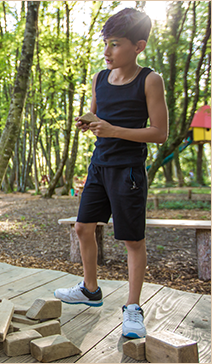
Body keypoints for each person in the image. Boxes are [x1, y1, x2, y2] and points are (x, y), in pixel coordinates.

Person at [54, 8, 168, 340]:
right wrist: (90, 122)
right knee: (82, 227)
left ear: (139, 46)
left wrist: (112, 129)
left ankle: (132, 308)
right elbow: (99, 117)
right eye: (105, 43)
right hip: (99, 165)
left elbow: (159, 132)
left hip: (128, 170)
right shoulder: (100, 78)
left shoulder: (150, 80)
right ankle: (90, 289)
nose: (107, 52)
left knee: (132, 240)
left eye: (115, 44)